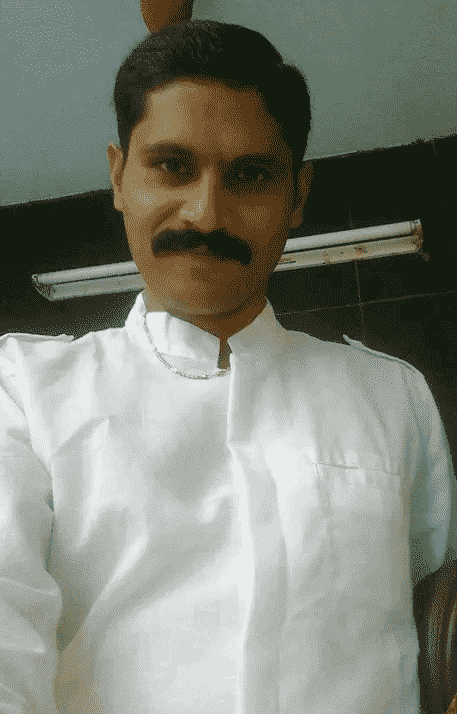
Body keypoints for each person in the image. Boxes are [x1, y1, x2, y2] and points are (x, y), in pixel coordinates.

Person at [0, 4, 456, 714]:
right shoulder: (26, 390)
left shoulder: (391, 396)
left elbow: (436, 616)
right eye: (171, 167)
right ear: (118, 178)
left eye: (250, 176)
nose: (206, 214)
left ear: (297, 196)